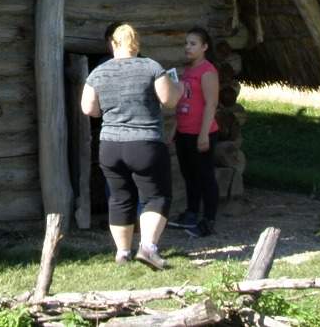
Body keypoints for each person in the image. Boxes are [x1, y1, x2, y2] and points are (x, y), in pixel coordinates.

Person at [81, 22, 182, 269]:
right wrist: (179, 89)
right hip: (145, 143)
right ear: (136, 44)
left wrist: (108, 110)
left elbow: (88, 108)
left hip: (110, 145)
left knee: (119, 198)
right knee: (155, 196)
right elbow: (169, 100)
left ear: (113, 44)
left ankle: (122, 253)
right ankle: (148, 248)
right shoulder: (151, 67)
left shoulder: (98, 72)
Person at [168, 27, 221, 238]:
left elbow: (211, 104)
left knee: (205, 176)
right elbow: (183, 102)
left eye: (193, 44)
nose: (187, 47)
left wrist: (204, 134)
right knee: (189, 175)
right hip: (184, 132)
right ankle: (191, 213)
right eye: (186, 43)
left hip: (201, 132)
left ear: (204, 47)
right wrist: (175, 129)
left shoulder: (207, 71)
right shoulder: (188, 70)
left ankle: (209, 220)